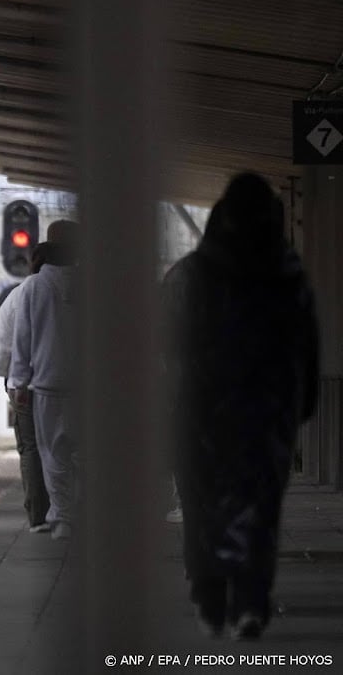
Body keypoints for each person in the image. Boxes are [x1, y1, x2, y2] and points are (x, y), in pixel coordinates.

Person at [163, 173, 318, 640]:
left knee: (201, 504)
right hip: (266, 415)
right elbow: (306, 347)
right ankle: (251, 601)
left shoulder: (188, 274)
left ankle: (210, 598)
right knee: (260, 508)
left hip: (199, 412)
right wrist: (301, 404)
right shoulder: (288, 276)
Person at [8, 222, 80, 541]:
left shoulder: (33, 287)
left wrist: (18, 383)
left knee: (52, 454)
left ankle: (63, 517)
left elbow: (22, 340)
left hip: (47, 385)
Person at [0, 242, 50, 533]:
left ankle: (39, 515)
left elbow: (1, 343)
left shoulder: (23, 293)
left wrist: (10, 379)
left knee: (31, 449)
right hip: (76, 386)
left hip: (28, 386)